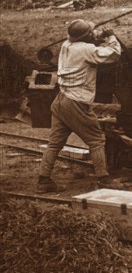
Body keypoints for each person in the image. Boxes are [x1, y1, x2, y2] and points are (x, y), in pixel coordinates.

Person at [38, 19, 121, 192]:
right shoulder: (86, 50)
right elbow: (114, 54)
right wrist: (111, 36)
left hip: (61, 100)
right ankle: (104, 180)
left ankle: (43, 181)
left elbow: (86, 43)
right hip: (77, 103)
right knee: (97, 140)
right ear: (87, 36)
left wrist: (96, 37)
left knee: (54, 144)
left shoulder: (66, 45)